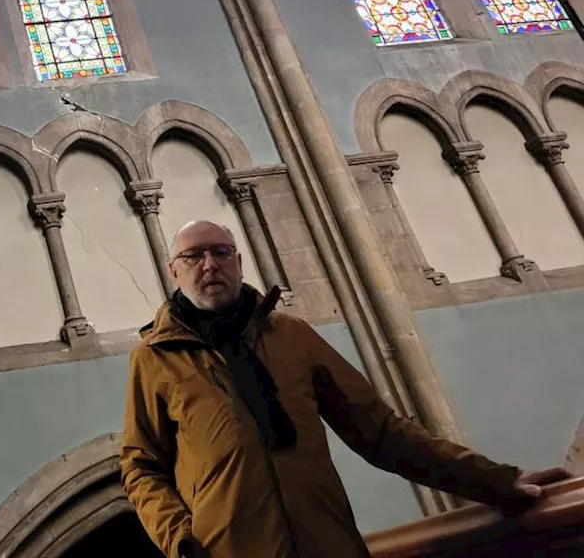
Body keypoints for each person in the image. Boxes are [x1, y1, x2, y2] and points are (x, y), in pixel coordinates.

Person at [121, 219, 567, 558]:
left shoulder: (290, 336)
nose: (209, 265)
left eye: (221, 253)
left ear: (239, 262)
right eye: (194, 256)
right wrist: (179, 539)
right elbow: (142, 466)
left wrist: (496, 481)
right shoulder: (155, 357)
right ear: (173, 271)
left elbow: (381, 432)